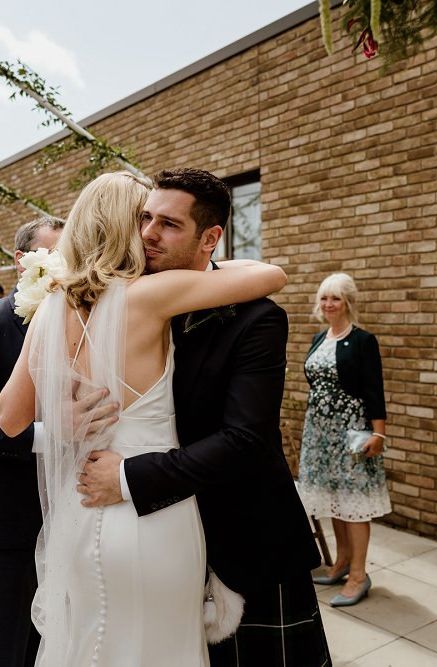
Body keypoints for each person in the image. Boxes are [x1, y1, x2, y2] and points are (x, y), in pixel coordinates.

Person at [0, 171, 288, 666]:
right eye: (144, 218)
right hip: (153, 517)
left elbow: (8, 419)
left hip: (78, 511)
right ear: (126, 227)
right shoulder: (151, 297)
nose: (152, 231)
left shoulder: (49, 307)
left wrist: (60, 425)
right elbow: (271, 275)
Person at [77, 168, 331, 666]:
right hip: (155, 546)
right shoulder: (123, 301)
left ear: (210, 237)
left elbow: (245, 439)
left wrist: (127, 476)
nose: (148, 233)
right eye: (145, 217)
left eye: (169, 224)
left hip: (242, 542)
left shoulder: (257, 319)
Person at [298, 273, 391, 607]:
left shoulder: (364, 341)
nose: (328, 305)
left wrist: (378, 433)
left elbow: (373, 390)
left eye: (334, 298)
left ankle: (358, 575)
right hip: (320, 434)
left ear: (348, 302)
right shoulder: (319, 339)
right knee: (334, 503)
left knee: (354, 507)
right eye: (324, 298)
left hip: (351, 433)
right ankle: (341, 564)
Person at [0, 215, 64, 667]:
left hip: (75, 514)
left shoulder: (86, 320)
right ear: (23, 260)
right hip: (11, 516)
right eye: (56, 256)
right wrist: (48, 437)